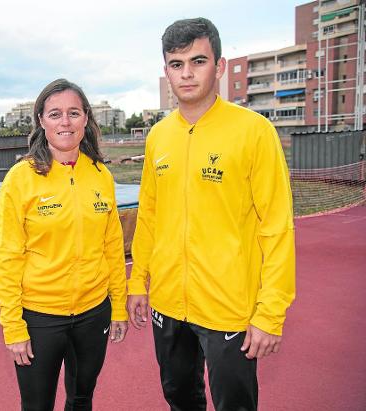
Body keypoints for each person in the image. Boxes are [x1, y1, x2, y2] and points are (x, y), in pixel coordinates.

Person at [127, 18, 295, 411]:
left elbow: (277, 227)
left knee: (234, 404)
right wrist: (139, 282)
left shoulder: (254, 131)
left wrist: (270, 313)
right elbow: (149, 215)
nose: (186, 73)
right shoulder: (158, 137)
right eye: (176, 63)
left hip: (228, 306)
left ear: (219, 66)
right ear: (166, 70)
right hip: (168, 301)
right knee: (179, 398)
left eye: (197, 61)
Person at [0, 78, 128, 410]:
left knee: (82, 399)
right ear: (41, 119)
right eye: (55, 114)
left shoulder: (100, 175)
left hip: (93, 313)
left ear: (86, 118)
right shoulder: (21, 178)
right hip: (40, 317)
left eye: (73, 113)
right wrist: (13, 327)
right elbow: (7, 257)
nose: (65, 122)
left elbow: (113, 247)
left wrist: (119, 307)